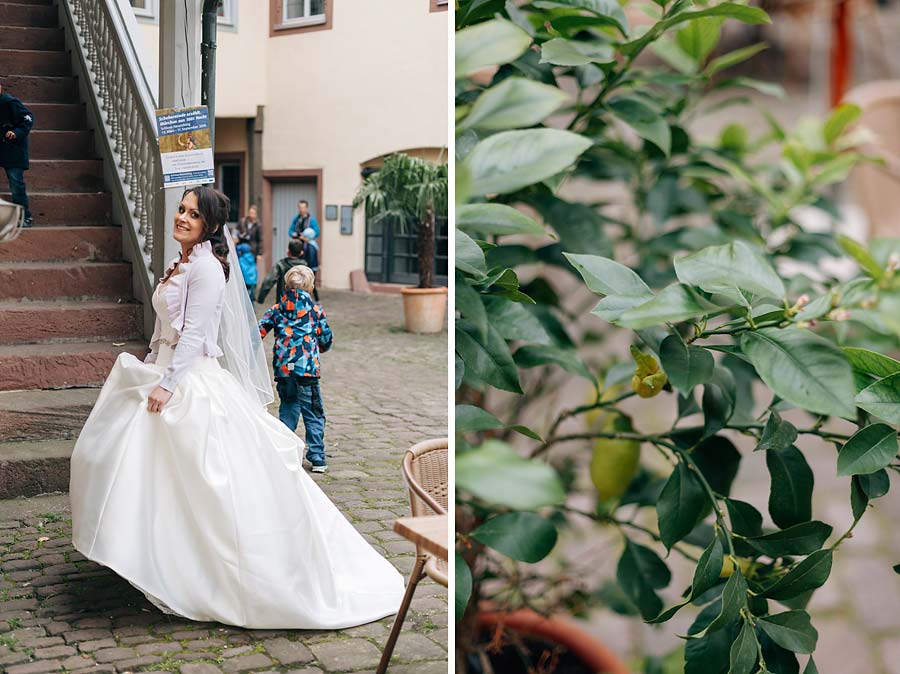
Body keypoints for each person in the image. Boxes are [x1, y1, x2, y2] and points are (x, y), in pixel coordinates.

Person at [68, 185, 404, 628]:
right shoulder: (182, 262)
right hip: (163, 369)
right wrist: (153, 363)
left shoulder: (207, 269)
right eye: (181, 210)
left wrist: (168, 384)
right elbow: (167, 327)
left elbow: (194, 333)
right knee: (144, 471)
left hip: (190, 379)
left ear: (208, 224)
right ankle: (159, 558)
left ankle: (209, 571)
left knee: (206, 481)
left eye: (192, 214)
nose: (182, 218)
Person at [258, 266, 332, 473]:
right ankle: (317, 456)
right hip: (307, 369)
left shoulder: (276, 309)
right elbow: (326, 339)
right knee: (314, 412)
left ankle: (286, 452)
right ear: (310, 286)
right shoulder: (315, 311)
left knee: (288, 407)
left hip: (284, 369)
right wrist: (319, 346)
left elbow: (257, 333)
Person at [0, 83, 34, 227]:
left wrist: (16, 133)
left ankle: (24, 217)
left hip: (13, 149)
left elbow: (28, 118)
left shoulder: (9, 102)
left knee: (16, 184)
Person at [256, 238, 308, 305]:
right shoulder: (305, 266)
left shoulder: (281, 265)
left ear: (288, 252)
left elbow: (268, 280)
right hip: (302, 303)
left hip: (283, 302)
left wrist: (261, 298)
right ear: (301, 252)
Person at [300, 227, 321, 302]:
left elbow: (310, 259)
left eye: (305, 236)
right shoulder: (310, 244)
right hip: (311, 267)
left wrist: (306, 266)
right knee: (310, 284)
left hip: (311, 268)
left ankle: (316, 300)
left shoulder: (311, 246)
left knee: (311, 284)